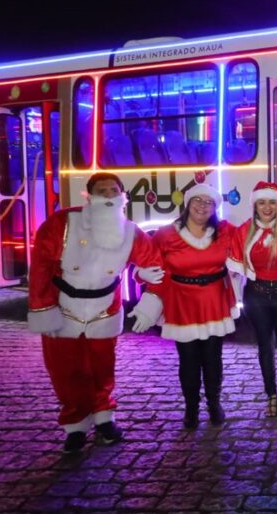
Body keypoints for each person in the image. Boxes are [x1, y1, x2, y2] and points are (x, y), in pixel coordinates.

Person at [27, 172, 165, 454]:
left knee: (102, 369)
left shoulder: (131, 232)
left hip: (105, 309)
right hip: (64, 307)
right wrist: (43, 307)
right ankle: (76, 424)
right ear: (89, 196)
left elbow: (156, 267)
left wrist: (144, 284)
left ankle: (103, 417)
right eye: (101, 191)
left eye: (113, 191)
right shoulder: (60, 224)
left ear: (122, 196)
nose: (108, 196)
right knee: (66, 371)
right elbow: (40, 268)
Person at [135, 183, 237, 429]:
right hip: (182, 301)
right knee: (188, 360)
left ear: (214, 207)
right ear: (188, 203)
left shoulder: (225, 231)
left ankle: (214, 403)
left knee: (213, 358)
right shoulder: (166, 234)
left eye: (208, 202)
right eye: (197, 200)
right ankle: (191, 408)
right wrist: (142, 276)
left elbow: (254, 235)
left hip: (214, 300)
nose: (202, 206)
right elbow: (148, 264)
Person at [228, 181, 277, 417]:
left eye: (272, 202)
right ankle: (271, 392)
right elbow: (234, 265)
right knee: (264, 345)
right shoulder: (243, 231)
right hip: (255, 295)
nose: (267, 207)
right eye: (262, 202)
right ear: (255, 205)